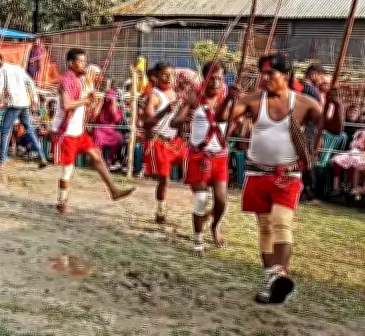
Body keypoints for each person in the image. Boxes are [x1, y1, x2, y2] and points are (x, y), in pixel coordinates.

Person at [217, 53, 343, 304]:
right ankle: (273, 280)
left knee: (281, 222)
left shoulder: (306, 103)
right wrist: (228, 100)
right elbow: (222, 118)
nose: (263, 78)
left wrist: (336, 105)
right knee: (265, 227)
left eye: (269, 74)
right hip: (256, 173)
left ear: (285, 76)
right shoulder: (253, 100)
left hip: (288, 175)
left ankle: (278, 274)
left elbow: (334, 129)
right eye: (261, 73)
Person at [51, 48, 135, 215]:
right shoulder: (66, 80)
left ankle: (113, 190)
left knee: (96, 155)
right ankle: (62, 202)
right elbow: (67, 105)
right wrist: (85, 100)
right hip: (66, 132)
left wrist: (90, 99)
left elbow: (86, 103)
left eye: (85, 61)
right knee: (68, 169)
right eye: (81, 61)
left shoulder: (80, 79)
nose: (85, 64)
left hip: (78, 131)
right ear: (71, 63)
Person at [170, 62, 229, 254]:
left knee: (221, 201)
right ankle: (197, 239)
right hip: (198, 155)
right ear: (204, 78)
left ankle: (214, 226)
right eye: (211, 78)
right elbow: (174, 121)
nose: (215, 82)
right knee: (202, 198)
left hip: (219, 156)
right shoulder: (194, 96)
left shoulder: (228, 97)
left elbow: (237, 118)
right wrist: (186, 115)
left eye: (219, 78)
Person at [143, 62, 186, 223]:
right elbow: (147, 122)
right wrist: (165, 111)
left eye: (172, 75)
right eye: (165, 74)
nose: (169, 78)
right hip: (158, 141)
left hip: (174, 141)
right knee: (164, 178)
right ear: (156, 76)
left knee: (191, 163)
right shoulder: (154, 95)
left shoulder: (175, 94)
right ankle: (160, 211)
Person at [0, 54, 47, 169]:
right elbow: (30, 82)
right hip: (24, 103)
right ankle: (42, 156)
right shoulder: (17, 68)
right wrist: (34, 98)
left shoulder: (1, 71)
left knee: (5, 131)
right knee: (29, 129)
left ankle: (1, 160)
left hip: (14, 104)